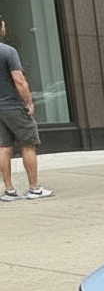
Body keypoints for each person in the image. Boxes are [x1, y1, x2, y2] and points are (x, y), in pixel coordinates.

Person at [0, 14, 52, 200]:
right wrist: (29, 102)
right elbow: (19, 80)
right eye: (4, 26)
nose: (5, 29)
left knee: (4, 147)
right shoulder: (8, 51)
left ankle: (9, 191)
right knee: (28, 143)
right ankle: (34, 188)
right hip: (12, 105)